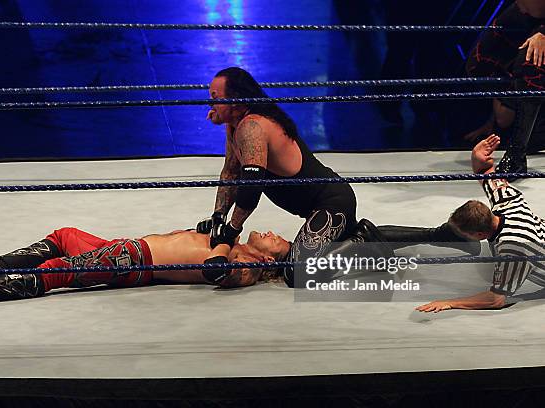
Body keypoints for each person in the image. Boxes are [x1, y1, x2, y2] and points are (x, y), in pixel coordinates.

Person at [199, 67, 479, 288]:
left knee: (298, 273)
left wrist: (232, 230)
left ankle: (362, 244)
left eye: (215, 97)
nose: (210, 104)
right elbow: (231, 173)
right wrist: (218, 216)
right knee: (344, 243)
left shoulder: (252, 127)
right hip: (319, 206)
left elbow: (250, 189)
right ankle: (444, 234)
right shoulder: (236, 126)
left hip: (330, 203)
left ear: (236, 100)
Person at [0, 227, 290, 305]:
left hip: (135, 261)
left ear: (270, 258)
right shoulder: (237, 246)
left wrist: (223, 240)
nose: (272, 233)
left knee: (61, 269)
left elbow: (216, 271)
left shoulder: (246, 268)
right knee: (66, 236)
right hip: (128, 247)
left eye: (278, 240)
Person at [417, 134, 545, 313]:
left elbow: (495, 299)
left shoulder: (512, 247)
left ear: (479, 235)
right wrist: (476, 157)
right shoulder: (507, 201)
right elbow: (486, 171)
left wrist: (449, 302)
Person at [465, 0, 545, 177]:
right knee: (479, 64)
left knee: (532, 60)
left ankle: (516, 157)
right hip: (525, 14)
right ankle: (522, 123)